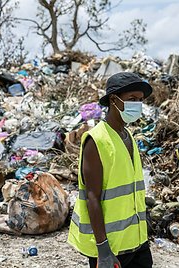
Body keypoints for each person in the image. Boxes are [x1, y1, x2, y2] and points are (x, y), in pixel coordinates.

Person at [68, 72, 153, 268]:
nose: (137, 105)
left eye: (140, 100)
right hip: (110, 247)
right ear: (114, 100)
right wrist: (103, 249)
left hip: (137, 242)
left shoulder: (128, 136)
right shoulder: (96, 140)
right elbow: (92, 197)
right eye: (132, 99)